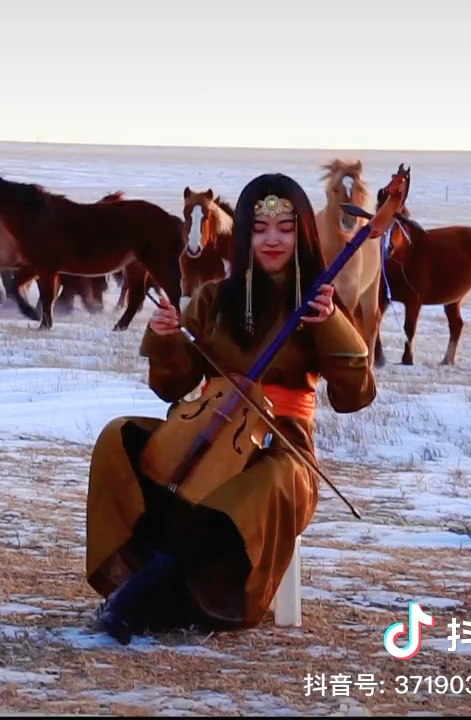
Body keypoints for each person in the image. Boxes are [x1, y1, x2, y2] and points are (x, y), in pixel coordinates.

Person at [84, 172, 377, 644]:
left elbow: (354, 397)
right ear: (243, 235)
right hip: (206, 432)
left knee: (267, 482)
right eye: (260, 229)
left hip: (281, 444)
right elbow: (172, 386)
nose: (273, 239)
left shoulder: (321, 300)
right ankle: (135, 574)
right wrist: (165, 338)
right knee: (121, 438)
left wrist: (333, 325)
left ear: (301, 231)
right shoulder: (213, 297)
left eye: (284, 228)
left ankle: (154, 593)